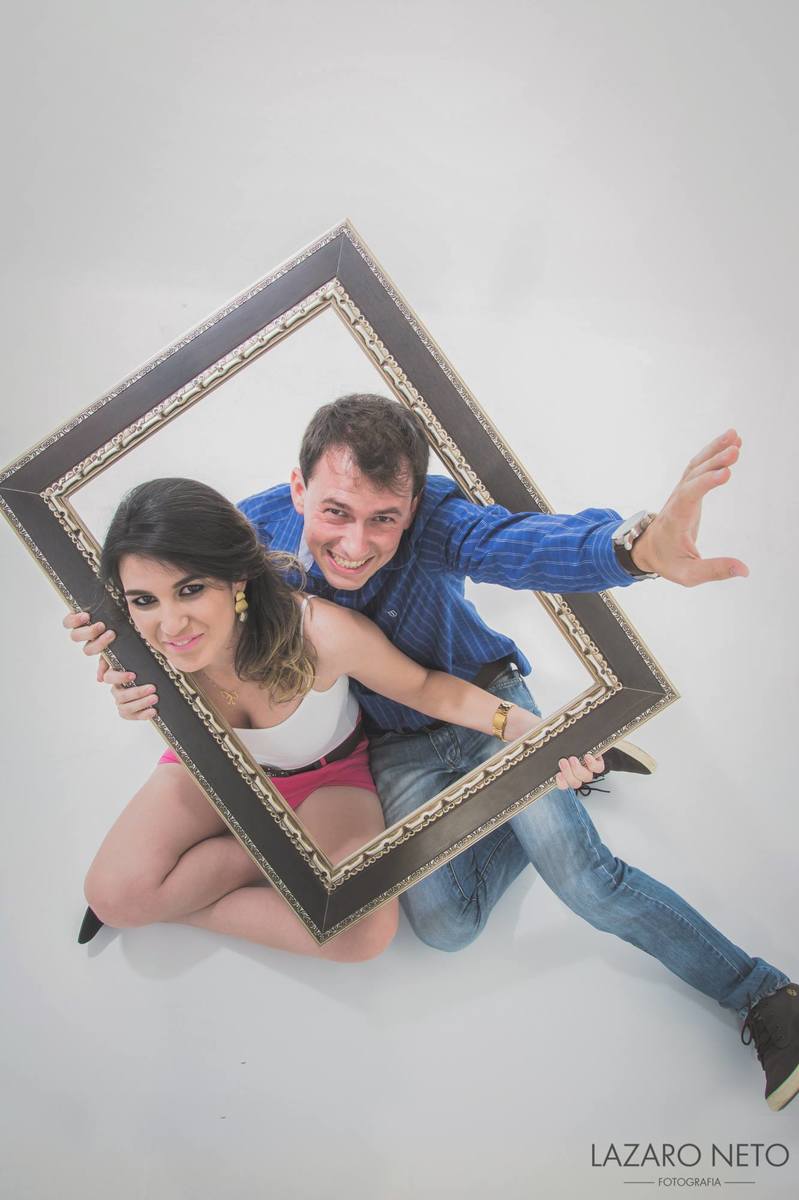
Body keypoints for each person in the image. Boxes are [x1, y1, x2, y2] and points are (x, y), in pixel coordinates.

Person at [66, 395, 798, 1110]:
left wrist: (633, 550)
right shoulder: (239, 542)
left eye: (384, 518)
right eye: (335, 513)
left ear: (413, 507)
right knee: (447, 926)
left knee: (584, 879)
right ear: (297, 490)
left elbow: (516, 546)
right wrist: (110, 641)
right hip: (391, 742)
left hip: (479, 702)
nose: (356, 544)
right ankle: (571, 770)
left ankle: (764, 994)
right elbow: (147, 580)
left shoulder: (429, 528)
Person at [78, 475, 600, 963]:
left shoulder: (320, 631)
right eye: (144, 600)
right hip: (214, 771)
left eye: (191, 589)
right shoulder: (139, 646)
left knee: (361, 933)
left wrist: (530, 727)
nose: (171, 624)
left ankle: (224, 873)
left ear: (236, 578)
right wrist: (129, 689)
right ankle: (264, 857)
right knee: (114, 897)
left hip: (326, 780)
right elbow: (118, 642)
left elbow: (425, 687)